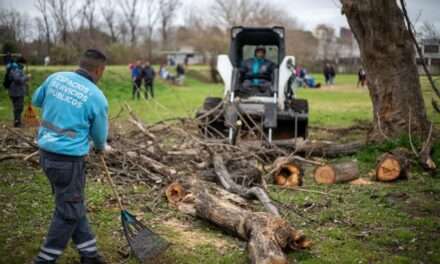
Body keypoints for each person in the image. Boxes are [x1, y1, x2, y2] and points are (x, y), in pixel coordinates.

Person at [32, 49, 109, 264]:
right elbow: (100, 136)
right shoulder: (96, 96)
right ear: (99, 69)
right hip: (68, 162)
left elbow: (37, 100)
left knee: (71, 203)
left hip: (46, 154)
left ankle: (89, 254)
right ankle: (45, 259)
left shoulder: (55, 78)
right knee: (68, 211)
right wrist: (100, 147)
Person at [6, 57, 31, 127]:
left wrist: (25, 83)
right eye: (23, 64)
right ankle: (17, 123)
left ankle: (17, 121)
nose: (24, 66)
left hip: (17, 91)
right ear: (20, 63)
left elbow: (20, 80)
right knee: (18, 108)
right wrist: (27, 77)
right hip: (16, 92)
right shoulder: (16, 69)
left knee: (17, 107)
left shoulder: (17, 69)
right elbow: (17, 80)